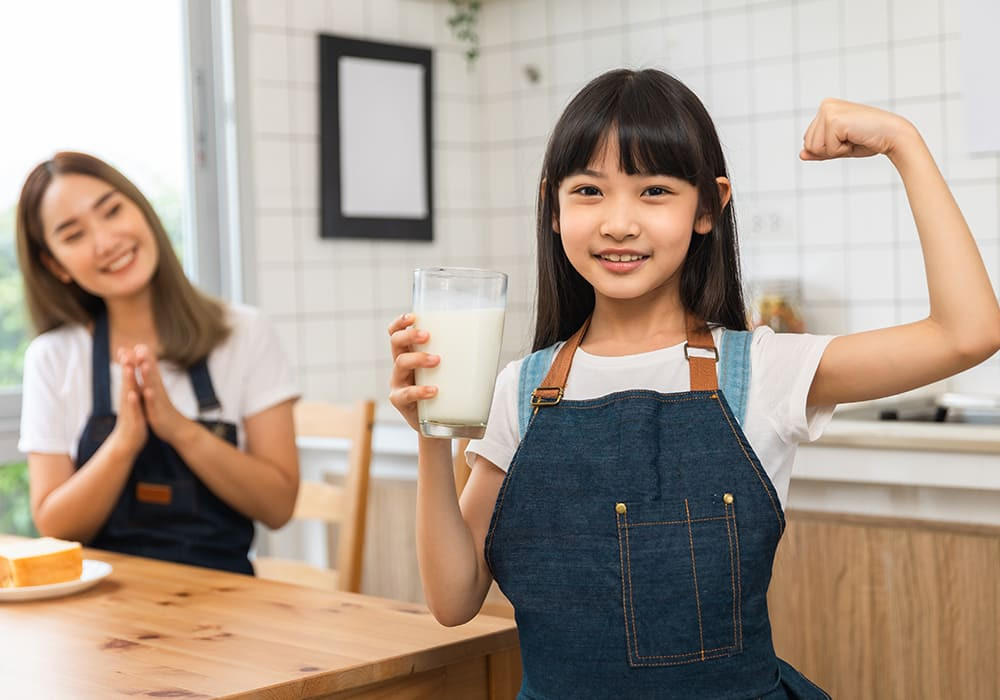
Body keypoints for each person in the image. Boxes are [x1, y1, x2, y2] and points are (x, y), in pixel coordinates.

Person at [388, 69, 1000, 698]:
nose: (619, 223)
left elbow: (968, 332)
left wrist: (904, 143)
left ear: (708, 206)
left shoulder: (761, 372)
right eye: (589, 191)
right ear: (553, 207)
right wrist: (431, 434)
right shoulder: (523, 388)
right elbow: (454, 598)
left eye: (654, 190)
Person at [16, 152, 300, 575]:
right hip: (99, 621)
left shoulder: (245, 333)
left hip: (231, 613)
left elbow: (277, 507)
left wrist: (178, 429)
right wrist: (124, 442)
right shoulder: (53, 357)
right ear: (56, 265)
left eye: (112, 211)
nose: (106, 241)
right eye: (73, 235)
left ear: (141, 210)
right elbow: (55, 528)